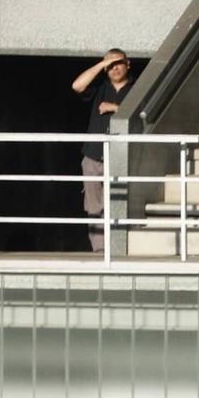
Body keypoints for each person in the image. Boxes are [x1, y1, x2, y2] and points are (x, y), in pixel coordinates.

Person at [69, 50, 134, 252]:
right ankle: (99, 250)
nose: (114, 68)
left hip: (121, 156)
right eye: (110, 64)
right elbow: (77, 86)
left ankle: (117, 249)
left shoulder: (136, 88)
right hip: (93, 155)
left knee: (117, 203)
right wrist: (101, 64)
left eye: (119, 63)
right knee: (94, 206)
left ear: (128, 64)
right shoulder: (99, 87)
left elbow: (143, 109)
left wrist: (115, 108)